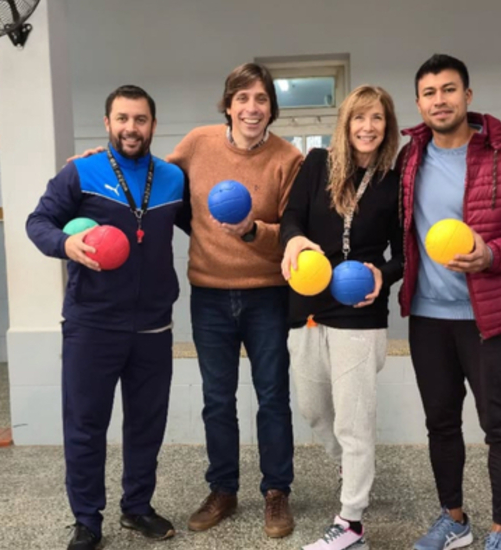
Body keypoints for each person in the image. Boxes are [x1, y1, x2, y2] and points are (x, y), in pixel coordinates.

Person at [397, 55, 501, 550]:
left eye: (449, 90)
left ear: (468, 95)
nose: (439, 100)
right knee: (440, 424)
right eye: (429, 92)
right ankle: (454, 519)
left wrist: (492, 254)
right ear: (419, 102)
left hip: (488, 318)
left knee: (499, 425)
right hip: (427, 317)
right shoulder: (409, 157)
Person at [26, 85, 189, 550]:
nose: (131, 128)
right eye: (122, 118)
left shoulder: (173, 178)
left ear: (153, 125)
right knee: (85, 424)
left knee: (146, 424)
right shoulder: (81, 171)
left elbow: (204, 227)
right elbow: (38, 222)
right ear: (107, 123)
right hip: (91, 324)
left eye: (140, 119)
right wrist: (65, 244)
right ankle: (87, 519)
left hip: (153, 326)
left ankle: (137, 507)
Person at [166, 62, 303, 539]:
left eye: (261, 99)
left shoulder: (288, 158)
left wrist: (250, 232)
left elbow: (293, 233)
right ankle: (223, 489)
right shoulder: (198, 143)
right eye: (242, 98)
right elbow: (155, 181)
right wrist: (102, 161)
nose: (251, 107)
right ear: (227, 104)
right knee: (216, 400)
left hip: (267, 295)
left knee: (272, 398)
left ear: (271, 108)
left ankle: (276, 492)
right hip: (208, 295)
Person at [280, 85, 403, 550]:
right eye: (359, 118)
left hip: (359, 310)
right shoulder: (316, 165)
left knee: (354, 421)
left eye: (376, 118)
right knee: (313, 409)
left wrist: (382, 273)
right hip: (307, 305)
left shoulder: (393, 179)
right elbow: (290, 216)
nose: (367, 127)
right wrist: (292, 239)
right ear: (345, 123)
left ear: (386, 125)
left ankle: (351, 523)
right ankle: (350, 466)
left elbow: (404, 253)